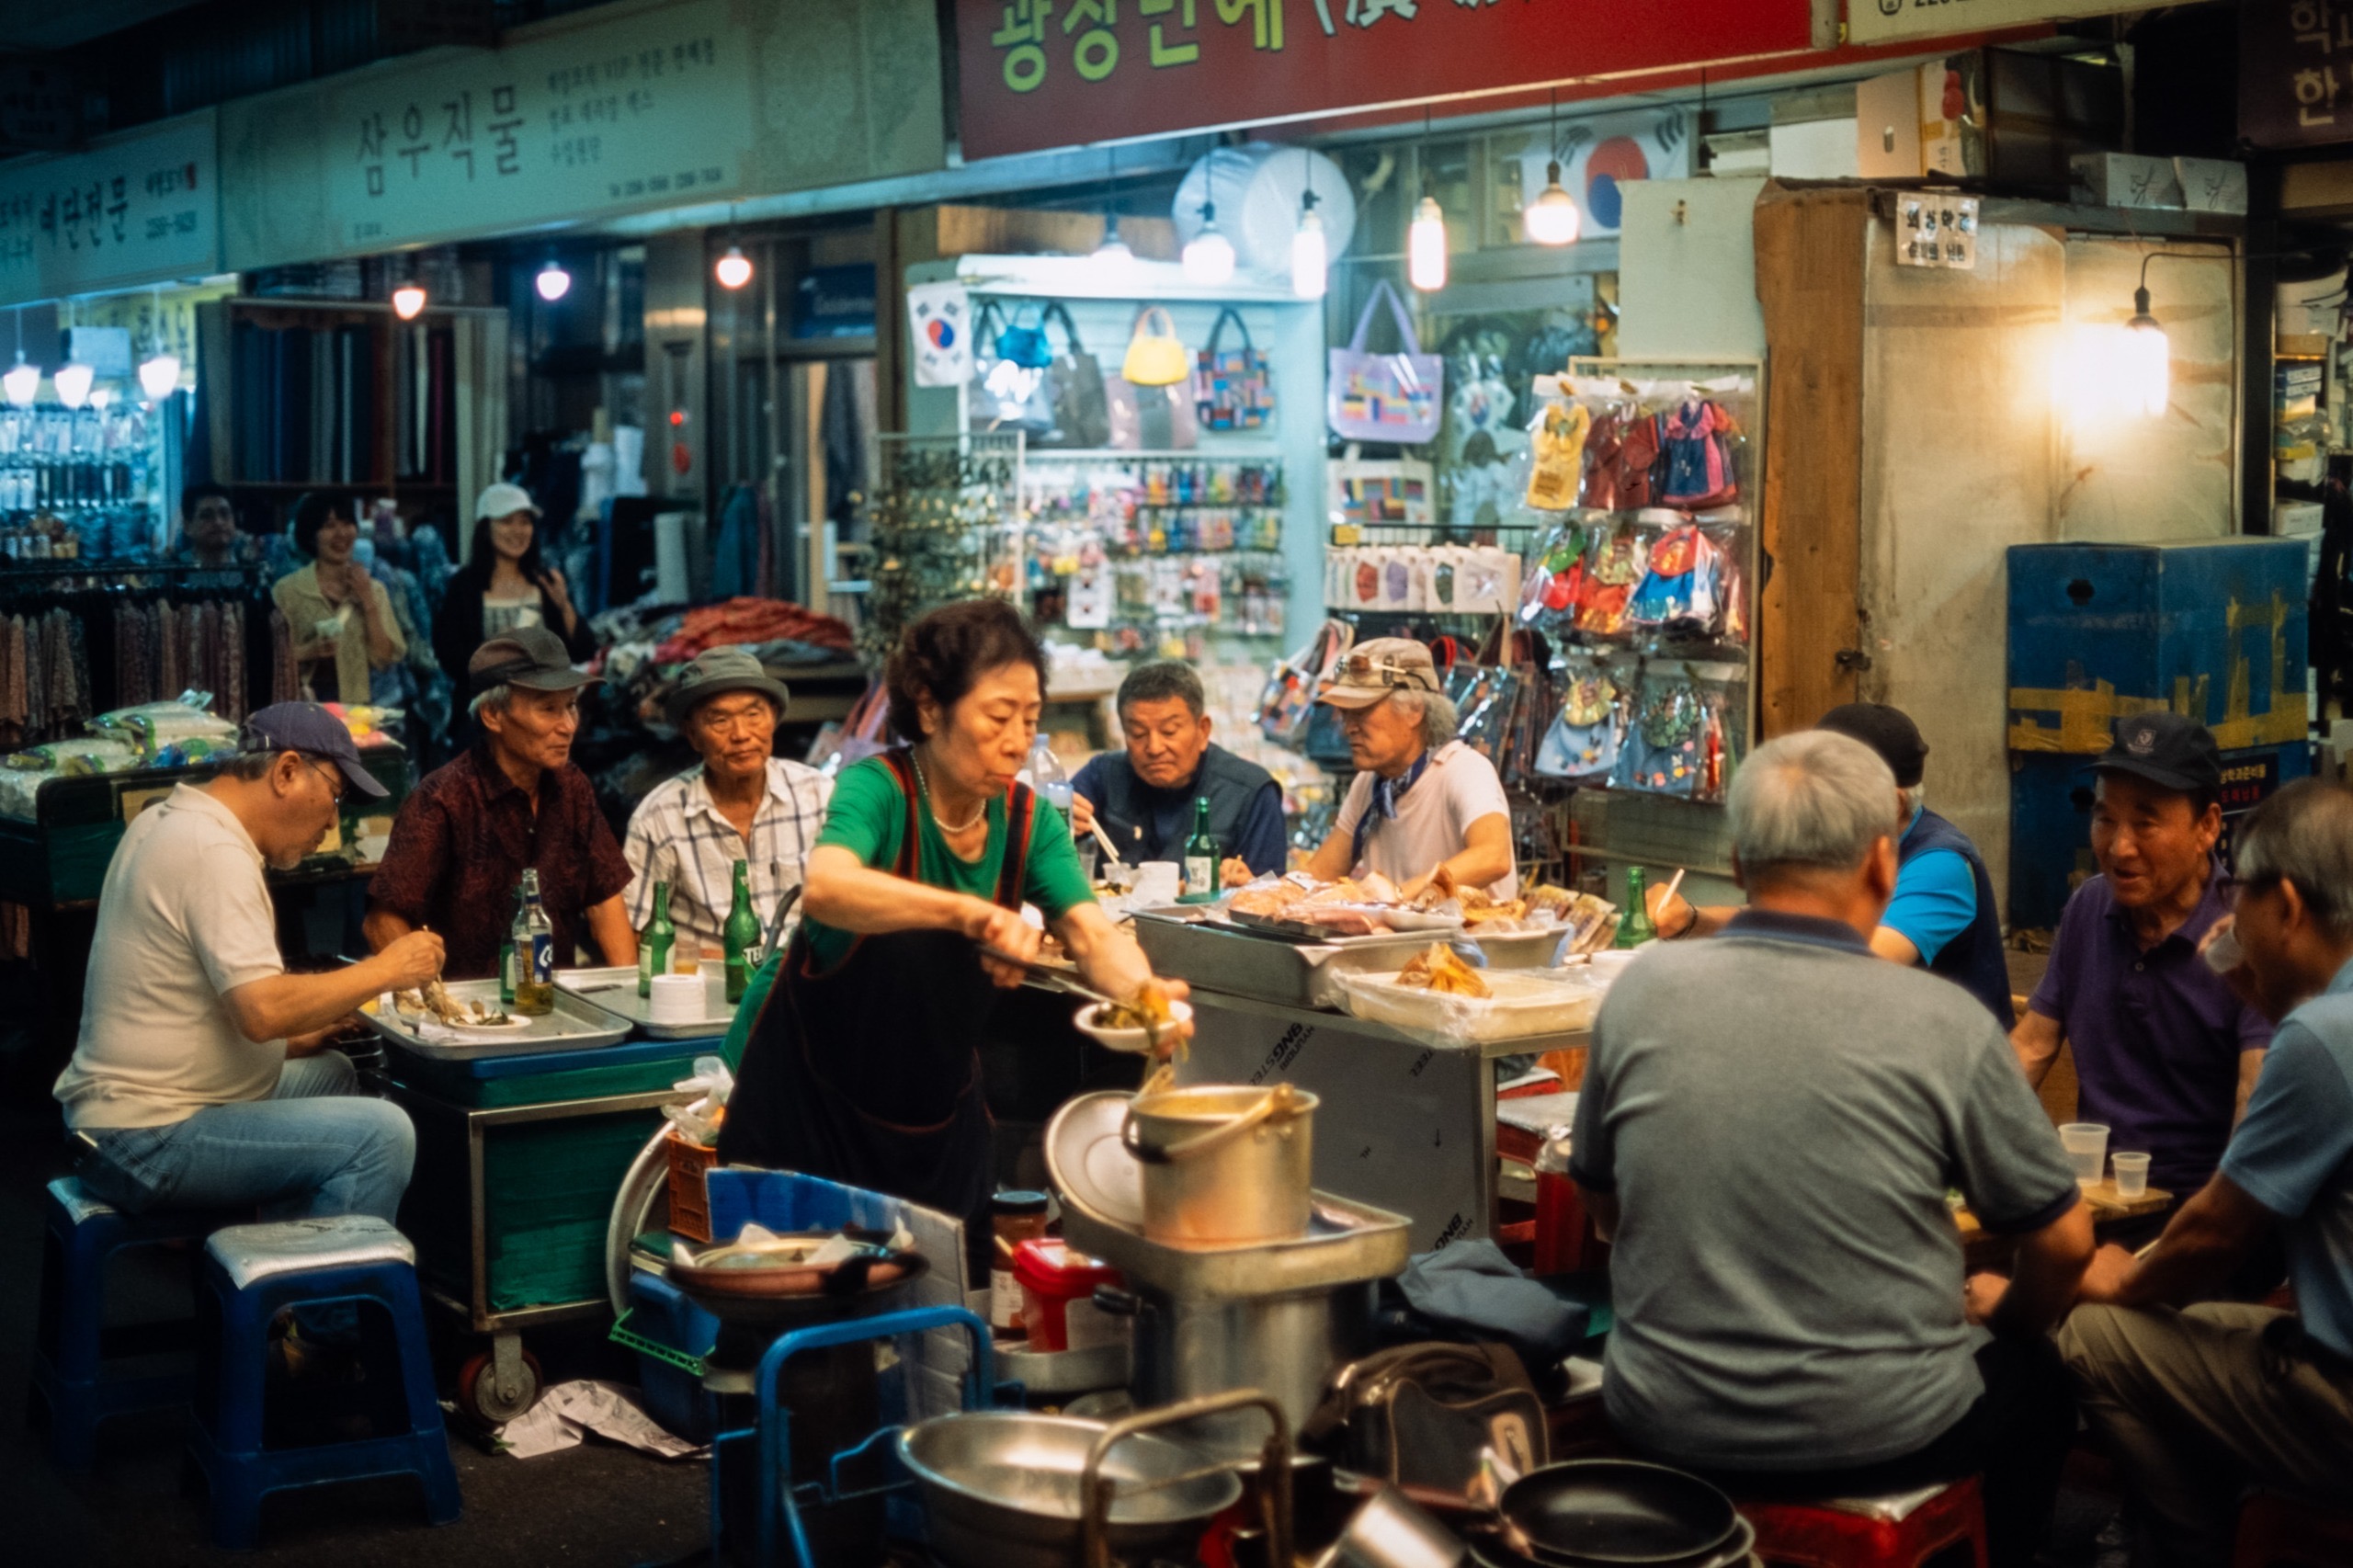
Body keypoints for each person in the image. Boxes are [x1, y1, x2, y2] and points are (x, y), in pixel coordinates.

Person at [1571, 730, 2091, 1568]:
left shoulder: (1641, 992)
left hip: (1661, 1416)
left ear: (1737, 865)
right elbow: (2064, 1244)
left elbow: (1602, 1201)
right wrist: (2012, 1315)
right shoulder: (1944, 1023)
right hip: (1885, 1430)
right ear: (1886, 866)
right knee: (2040, 1383)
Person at [719, 599, 1187, 1261]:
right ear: (932, 708)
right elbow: (827, 887)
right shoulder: (877, 790)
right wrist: (972, 914)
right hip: (808, 1124)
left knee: (940, 1336)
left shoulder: (1028, 823)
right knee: (800, 1346)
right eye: (998, 717)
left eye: (1030, 720)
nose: (1018, 740)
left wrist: (1147, 997)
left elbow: (1091, 935)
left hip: (933, 1129)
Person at [2055, 778, 2353, 1568]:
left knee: (2092, 1334)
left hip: (2343, 1398)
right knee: (2202, 1329)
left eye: (2242, 894)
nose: (2229, 915)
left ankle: (2193, 1550)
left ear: (2285, 906)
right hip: (2323, 1345)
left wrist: (2110, 1280)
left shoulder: (2325, 1038)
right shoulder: (2329, 1018)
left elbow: (2214, 1235)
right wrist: (2259, 981)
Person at [56, 704, 441, 1225]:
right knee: (382, 1133)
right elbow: (261, 1011)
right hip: (141, 1137)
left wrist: (301, 1038)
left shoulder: (165, 819)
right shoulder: (213, 849)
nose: (332, 821)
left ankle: (273, 1280)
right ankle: (312, 1304)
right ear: (285, 772)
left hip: (120, 1116)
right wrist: (387, 969)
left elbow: (190, 1006)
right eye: (333, 797)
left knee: (332, 1073)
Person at [2012, 713, 2272, 1199]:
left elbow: (2252, 1106)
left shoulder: (2247, 933)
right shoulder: (2088, 908)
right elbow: (2033, 1046)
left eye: (2146, 823)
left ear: (2208, 827)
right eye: (2105, 818)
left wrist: (2198, 1245)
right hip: (2098, 1200)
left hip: (2194, 1217)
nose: (2119, 847)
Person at [1645, 702, 2014, 1025]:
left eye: (1829, 791)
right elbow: (1792, 918)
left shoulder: (1940, 863)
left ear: (1893, 804)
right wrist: (1694, 921)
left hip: (1945, 1076)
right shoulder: (1845, 841)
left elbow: (1857, 969)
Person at [365, 626, 635, 978]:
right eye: (548, 709)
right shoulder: (443, 799)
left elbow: (604, 900)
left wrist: (632, 999)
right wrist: (437, 1005)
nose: (568, 725)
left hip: (556, 1003)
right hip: (472, 1011)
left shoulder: (572, 788)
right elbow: (382, 922)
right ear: (493, 715)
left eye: (571, 706)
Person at [624, 646, 832, 959]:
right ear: (693, 735)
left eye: (753, 714)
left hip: (804, 980)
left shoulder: (819, 795)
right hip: (705, 986)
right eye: (719, 720)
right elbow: (638, 929)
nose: (741, 734)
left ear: (773, 718)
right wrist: (714, 960)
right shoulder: (659, 816)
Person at [1301, 639, 1516, 899]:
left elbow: (1493, 857)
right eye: (1346, 713)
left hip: (1472, 940)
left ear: (1415, 710)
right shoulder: (1370, 782)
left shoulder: (1463, 769)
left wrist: (1399, 897)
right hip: (1405, 939)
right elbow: (1319, 874)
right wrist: (1263, 889)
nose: (1349, 727)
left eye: (1362, 711)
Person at [1068, 660, 1286, 885]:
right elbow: (1047, 846)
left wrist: (1244, 884)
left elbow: (1269, 898)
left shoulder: (1251, 791)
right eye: (1138, 733)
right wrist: (1057, 822)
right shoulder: (1102, 775)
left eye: (1169, 732)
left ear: (1203, 730)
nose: (1154, 748)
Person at [431, 483, 593, 691]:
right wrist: (495, 651)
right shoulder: (464, 585)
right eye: (507, 522)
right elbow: (449, 657)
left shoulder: (545, 582)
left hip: (544, 709)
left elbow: (584, 651)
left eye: (525, 522)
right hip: (487, 709)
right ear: (486, 528)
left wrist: (564, 606)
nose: (518, 531)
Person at [271, 491, 405, 706]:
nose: (341, 533)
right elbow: (270, 660)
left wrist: (367, 600)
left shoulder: (375, 589)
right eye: (329, 526)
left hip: (358, 711)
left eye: (346, 523)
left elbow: (385, 658)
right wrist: (309, 650)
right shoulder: (287, 591)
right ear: (311, 535)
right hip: (304, 709)